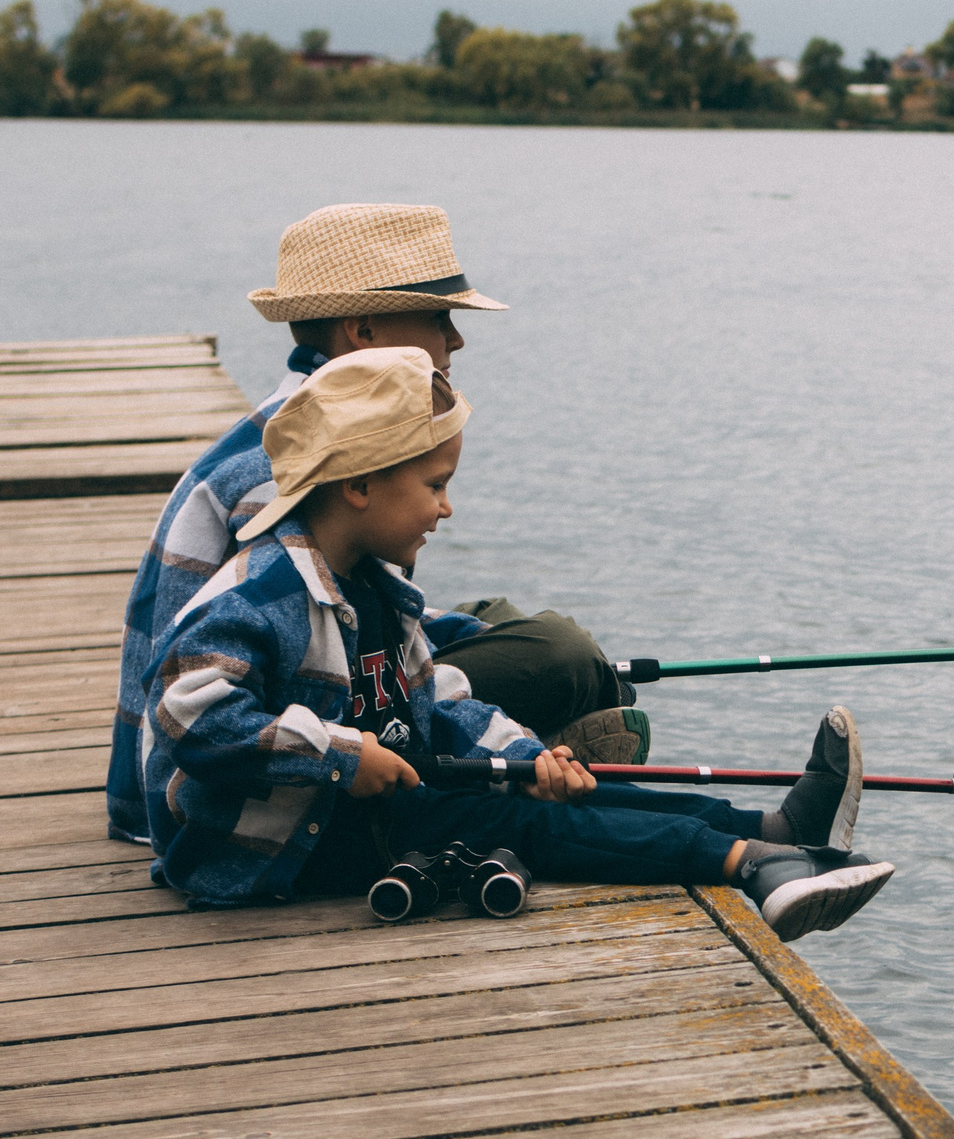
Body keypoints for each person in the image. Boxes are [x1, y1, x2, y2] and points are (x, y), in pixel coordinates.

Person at [140, 347, 890, 942]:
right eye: (435, 483)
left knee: (577, 789)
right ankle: (754, 869)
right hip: (269, 846)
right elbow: (191, 715)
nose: (446, 506)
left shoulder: (372, 586)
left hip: (371, 810)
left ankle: (772, 829)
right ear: (361, 484)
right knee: (520, 823)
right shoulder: (259, 592)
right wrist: (338, 753)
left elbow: (436, 703)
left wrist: (526, 755)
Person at [106, 201, 646, 844]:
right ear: (363, 331)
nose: (456, 339)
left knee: (504, 620)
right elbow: (275, 659)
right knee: (563, 654)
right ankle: (547, 739)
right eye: (440, 317)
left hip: (316, 658)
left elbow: (359, 610)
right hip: (201, 779)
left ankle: (550, 727)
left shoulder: (308, 422)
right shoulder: (284, 471)